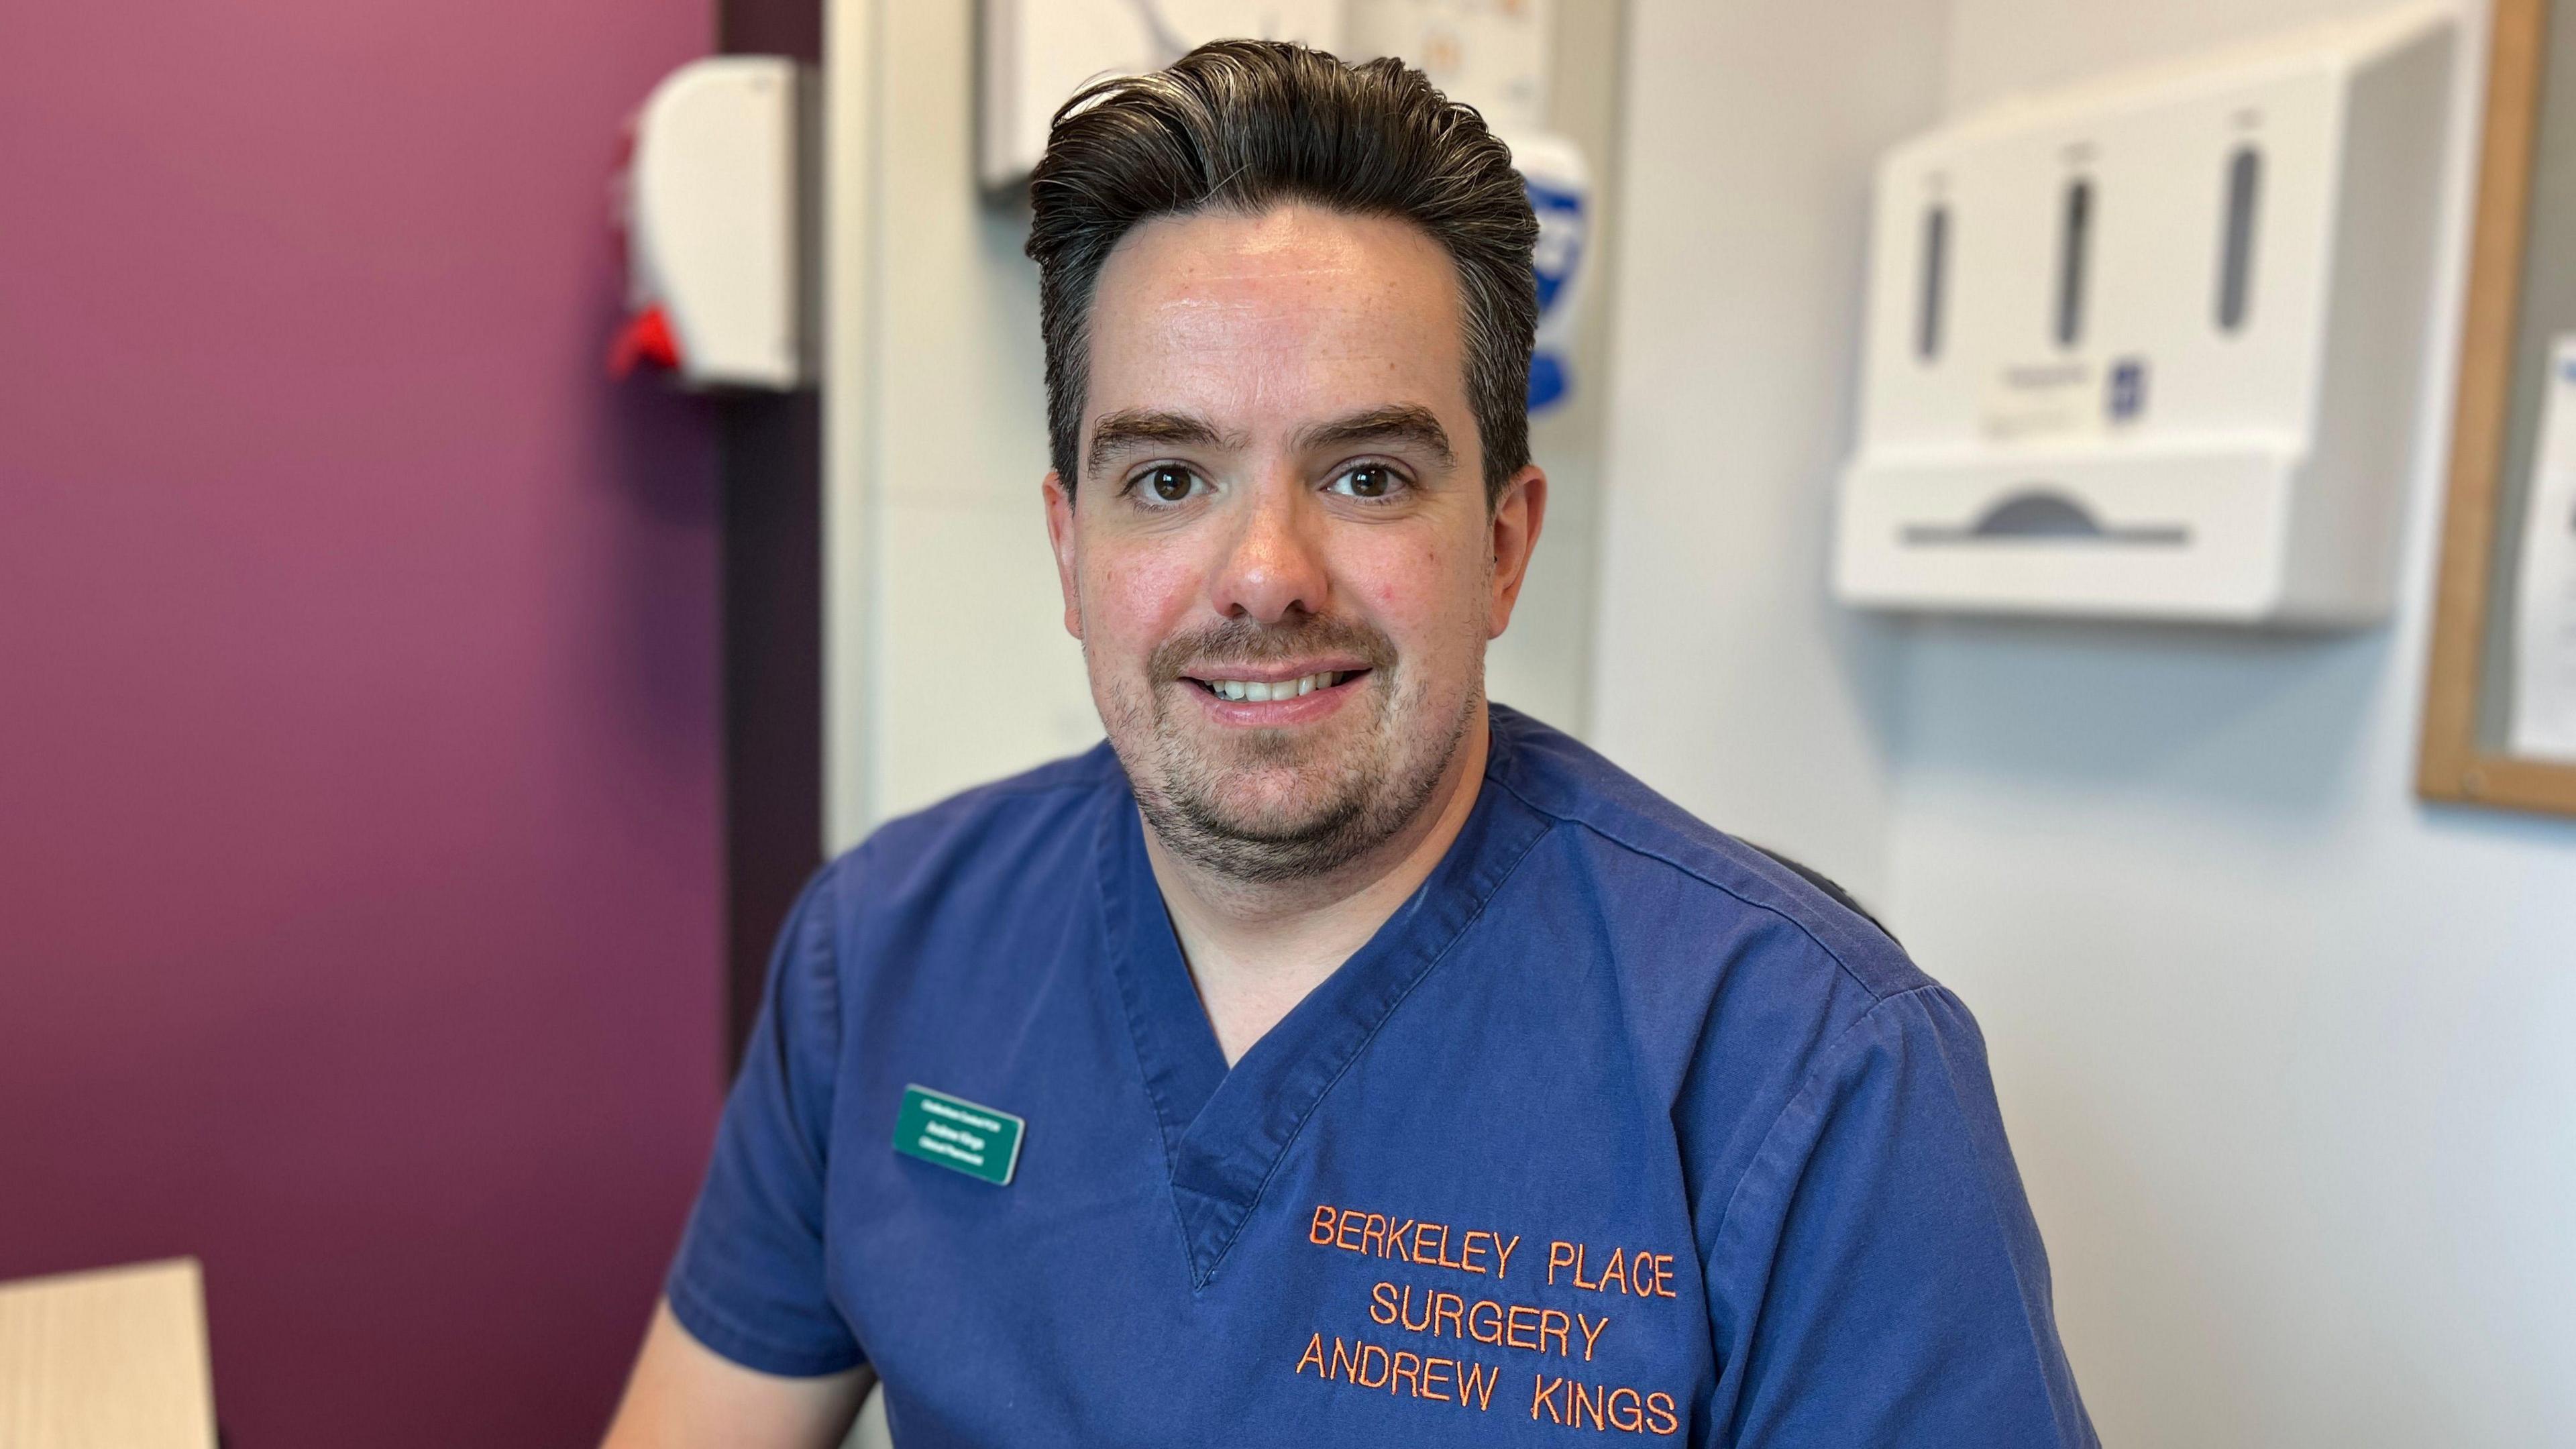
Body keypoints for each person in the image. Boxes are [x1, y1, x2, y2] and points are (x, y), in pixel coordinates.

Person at [602, 40, 2094, 1449]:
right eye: (1170, 475)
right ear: (1070, 553)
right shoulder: (881, 956)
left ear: (1504, 547)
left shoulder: (1814, 1072)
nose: (1265, 571)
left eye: (1368, 474)